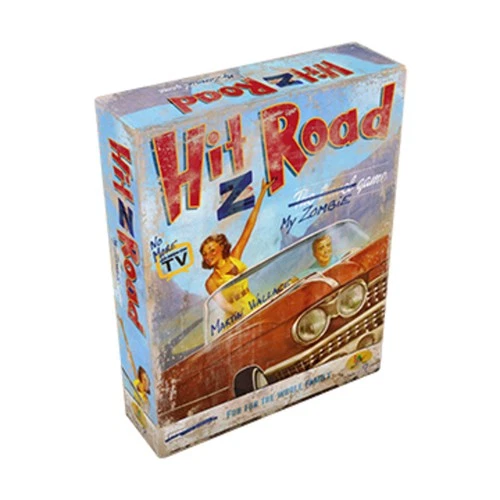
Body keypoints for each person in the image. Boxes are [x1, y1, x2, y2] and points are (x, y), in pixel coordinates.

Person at [200, 179, 271, 317]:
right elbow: (225, 306)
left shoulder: (235, 257)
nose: (208, 256)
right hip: (237, 316)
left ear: (221, 247)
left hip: (253, 303)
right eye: (204, 254)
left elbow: (249, 227)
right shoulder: (211, 282)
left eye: (212, 250)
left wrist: (262, 192)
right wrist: (243, 315)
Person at [118, 316, 150, 412]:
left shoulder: (146, 399)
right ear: (140, 380)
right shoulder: (136, 384)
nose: (147, 383)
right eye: (145, 380)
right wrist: (122, 326)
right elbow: (130, 357)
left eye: (147, 380)